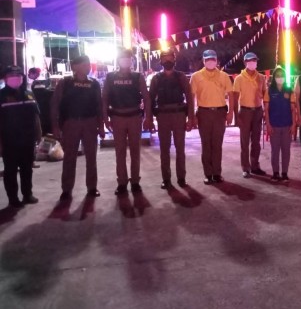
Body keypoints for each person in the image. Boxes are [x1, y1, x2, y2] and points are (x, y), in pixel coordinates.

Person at [51, 55, 104, 201]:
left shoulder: (94, 83)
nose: (88, 67)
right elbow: (55, 105)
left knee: (91, 157)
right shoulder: (65, 83)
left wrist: (101, 126)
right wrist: (55, 126)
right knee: (69, 157)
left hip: (90, 123)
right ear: (75, 67)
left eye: (88, 64)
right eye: (84, 64)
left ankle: (92, 187)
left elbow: (99, 106)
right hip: (71, 123)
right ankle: (66, 189)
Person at [102, 49, 153, 195]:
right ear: (118, 60)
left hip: (134, 117)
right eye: (123, 57)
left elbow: (146, 98)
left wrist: (148, 117)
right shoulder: (110, 77)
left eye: (128, 58)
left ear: (132, 60)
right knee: (120, 152)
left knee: (135, 151)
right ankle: (122, 183)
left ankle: (135, 181)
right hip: (117, 117)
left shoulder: (138, 77)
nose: (125, 60)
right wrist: (105, 119)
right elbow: (104, 99)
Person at [149, 49, 195, 190]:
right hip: (163, 116)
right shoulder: (156, 78)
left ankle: (181, 178)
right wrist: (149, 119)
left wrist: (191, 118)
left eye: (170, 58)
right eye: (165, 58)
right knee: (164, 149)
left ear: (174, 60)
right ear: (161, 61)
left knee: (180, 148)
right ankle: (166, 179)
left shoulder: (181, 77)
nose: (167, 61)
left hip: (178, 115)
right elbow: (150, 100)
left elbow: (189, 97)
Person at [189, 49, 234, 184]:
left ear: (217, 61)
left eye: (213, 59)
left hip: (220, 114)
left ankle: (217, 173)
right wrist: (192, 116)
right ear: (203, 61)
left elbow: (231, 94)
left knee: (217, 145)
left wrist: (230, 113)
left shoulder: (224, 76)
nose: (210, 62)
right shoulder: (196, 76)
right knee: (206, 145)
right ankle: (208, 174)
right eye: (207, 59)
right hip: (204, 113)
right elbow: (191, 97)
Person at [0, 66, 41, 208]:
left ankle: (27, 194)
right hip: (9, 140)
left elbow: (36, 116)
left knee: (27, 168)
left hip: (28, 139)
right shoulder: (1, 95)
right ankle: (13, 198)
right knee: (10, 171)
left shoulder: (29, 94)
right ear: (5, 78)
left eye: (18, 75)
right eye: (11, 75)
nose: (15, 77)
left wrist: (39, 133)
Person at [232, 52, 268, 178]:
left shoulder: (261, 77)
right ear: (245, 62)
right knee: (244, 141)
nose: (253, 62)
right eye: (250, 60)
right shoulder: (239, 78)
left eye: (254, 60)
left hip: (258, 111)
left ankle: (255, 166)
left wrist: (265, 112)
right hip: (245, 111)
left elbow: (265, 96)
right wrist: (236, 116)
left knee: (256, 142)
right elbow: (235, 98)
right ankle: (245, 167)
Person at [264, 66, 296, 181]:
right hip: (274, 125)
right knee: (275, 151)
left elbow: (293, 109)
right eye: (277, 76)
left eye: (282, 76)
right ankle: (276, 173)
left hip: (287, 125)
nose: (280, 78)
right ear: (274, 77)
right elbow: (266, 109)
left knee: (286, 151)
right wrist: (268, 124)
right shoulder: (269, 90)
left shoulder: (289, 90)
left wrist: (294, 124)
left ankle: (285, 173)